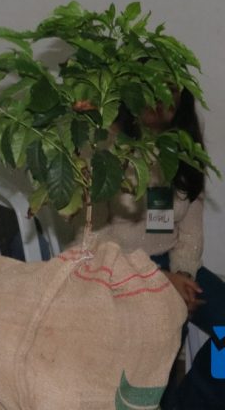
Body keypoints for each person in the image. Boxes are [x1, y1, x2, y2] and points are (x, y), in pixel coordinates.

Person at [76, 89, 225, 409]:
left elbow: (190, 232)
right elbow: (91, 242)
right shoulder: (103, 145)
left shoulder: (185, 145)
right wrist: (160, 280)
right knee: (164, 336)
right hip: (115, 269)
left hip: (177, 266)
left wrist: (183, 274)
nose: (160, 97)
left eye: (171, 89)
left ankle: (194, 400)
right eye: (152, 84)